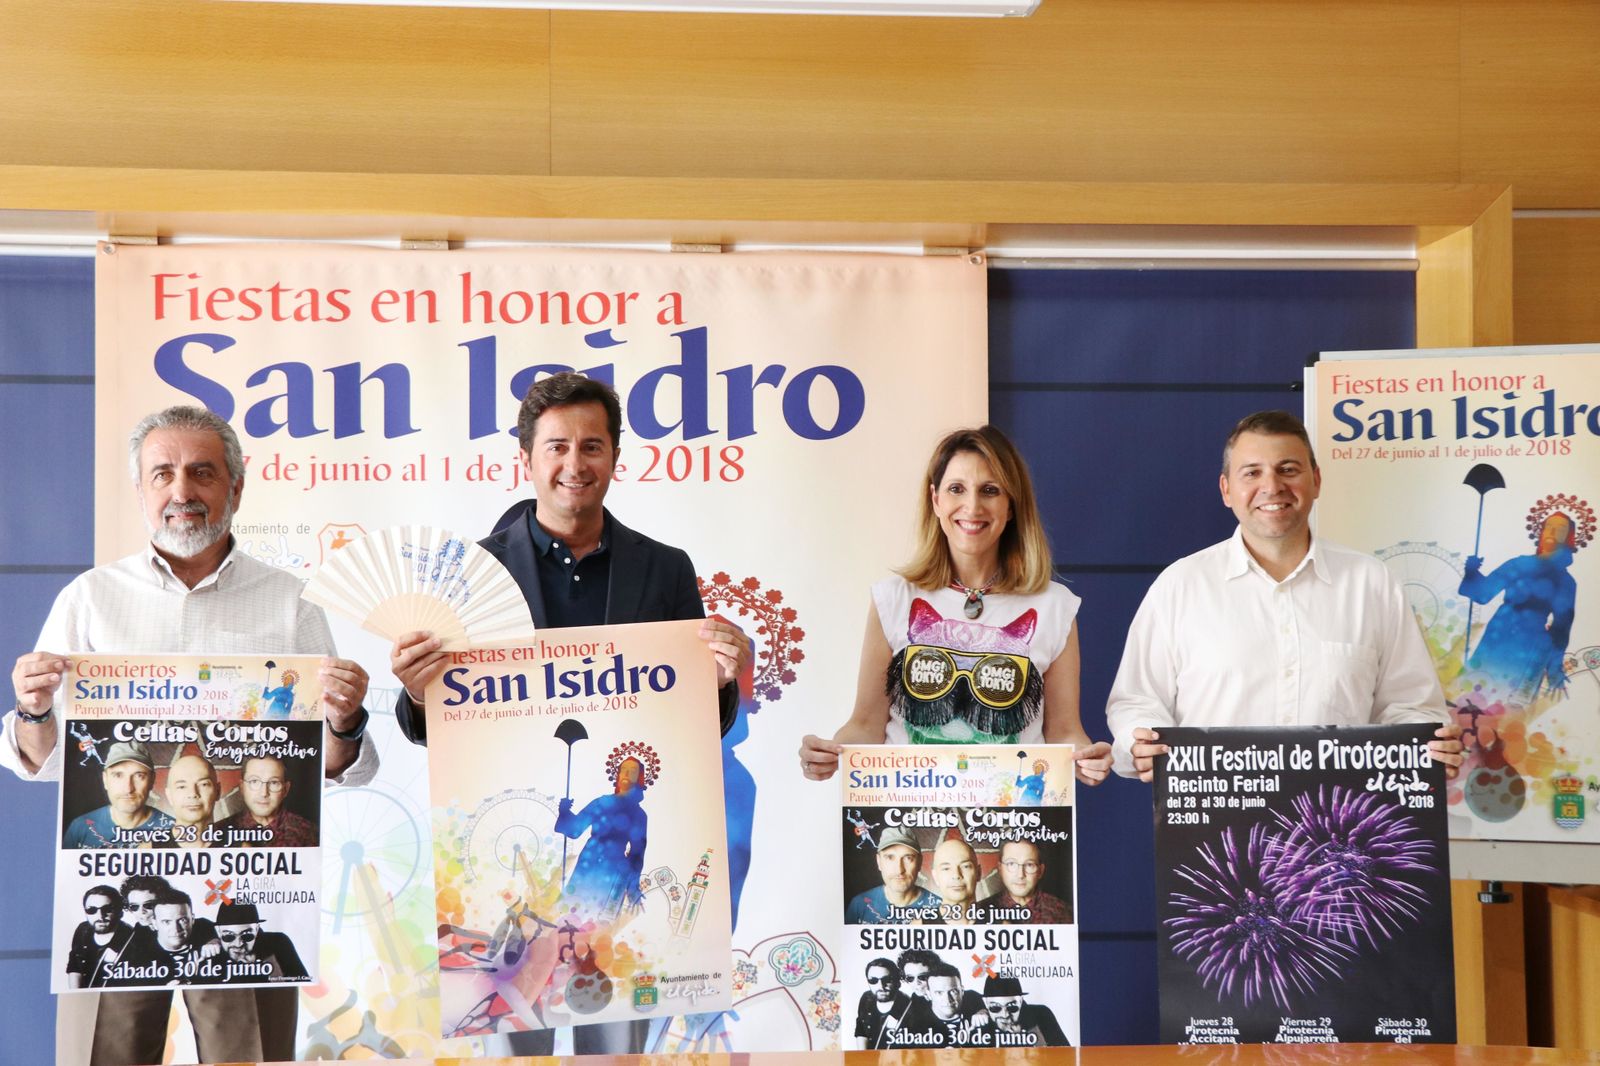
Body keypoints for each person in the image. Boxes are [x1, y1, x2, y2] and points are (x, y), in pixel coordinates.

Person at [386, 372, 751, 1056]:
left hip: (613, 890)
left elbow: (698, 715)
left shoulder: (665, 569)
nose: (574, 465)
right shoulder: (472, 572)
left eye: (592, 446)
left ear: (616, 457)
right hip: (512, 862)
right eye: (556, 447)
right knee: (517, 1029)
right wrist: (414, 691)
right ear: (526, 458)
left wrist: (723, 681)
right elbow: (433, 726)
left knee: (612, 1032)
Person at [3, 405, 379, 1066]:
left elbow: (330, 765)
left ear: (236, 486)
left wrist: (345, 721)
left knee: (249, 1055)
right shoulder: (90, 599)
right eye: (163, 474)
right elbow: (42, 761)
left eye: (202, 473)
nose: (183, 491)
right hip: (119, 884)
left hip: (246, 891)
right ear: (141, 491)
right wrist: (34, 710)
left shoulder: (291, 602)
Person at [1106, 410, 1464, 781]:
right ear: (1227, 490)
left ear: (1317, 481)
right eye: (1252, 473)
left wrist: (1428, 741)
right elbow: (1138, 700)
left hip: (1341, 823)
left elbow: (1411, 705)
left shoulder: (1371, 584)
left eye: (1288, 469)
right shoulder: (1181, 585)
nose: (1272, 486)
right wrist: (1141, 742)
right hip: (1211, 826)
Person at [799, 425, 1112, 783]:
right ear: (936, 500)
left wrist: (1086, 759)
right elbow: (866, 724)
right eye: (956, 489)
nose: (972, 506)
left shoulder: (1055, 607)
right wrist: (831, 753)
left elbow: (1064, 731)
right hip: (909, 805)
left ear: (1011, 506)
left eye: (990, 491)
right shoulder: (893, 599)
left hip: (1013, 814)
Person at [1459, 504, 1583, 699]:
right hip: (1497, 634)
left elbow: (1561, 629)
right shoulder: (1518, 563)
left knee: (1507, 706)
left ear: (1567, 538)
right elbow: (1482, 594)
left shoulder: (1566, 581)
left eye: (1561, 529)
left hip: (1529, 646)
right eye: (1549, 526)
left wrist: (1554, 668)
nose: (1553, 531)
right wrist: (1472, 571)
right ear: (1541, 531)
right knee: (1472, 696)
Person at [554, 747, 651, 919]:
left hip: (613, 870)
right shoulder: (601, 802)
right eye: (624, 769)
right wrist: (564, 812)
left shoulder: (639, 815)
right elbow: (574, 830)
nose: (627, 773)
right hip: (588, 863)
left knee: (597, 919)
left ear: (640, 777)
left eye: (633, 771)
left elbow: (637, 855)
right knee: (570, 916)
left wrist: (632, 886)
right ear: (618, 774)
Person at [62, 741, 173, 848]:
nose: (128, 788)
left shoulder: (174, 829)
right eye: (118, 775)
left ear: (152, 780)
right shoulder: (81, 827)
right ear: (105, 780)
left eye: (139, 776)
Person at [844, 827, 941, 923]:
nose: (899, 870)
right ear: (879, 861)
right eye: (890, 857)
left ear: (919, 862)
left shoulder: (940, 908)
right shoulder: (859, 905)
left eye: (908, 858)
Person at [217, 754, 316, 847]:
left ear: (286, 789)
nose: (264, 793)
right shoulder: (219, 832)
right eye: (254, 781)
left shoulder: (309, 833)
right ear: (242, 787)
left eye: (273, 782)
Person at [977, 839, 1071, 924]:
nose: (1020, 875)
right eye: (1011, 864)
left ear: (1040, 871)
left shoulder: (1062, 913)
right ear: (1000, 869)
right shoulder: (980, 911)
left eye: (1029, 865)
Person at [212, 903, 308, 984]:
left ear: (257, 929)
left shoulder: (278, 943)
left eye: (246, 935)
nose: (238, 944)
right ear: (218, 931)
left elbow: (302, 982)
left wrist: (266, 965)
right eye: (229, 936)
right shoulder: (211, 952)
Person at [66, 887, 140, 990]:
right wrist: (76, 996)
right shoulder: (83, 930)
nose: (100, 916)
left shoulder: (132, 939)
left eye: (107, 909)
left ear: (120, 912)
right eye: (92, 910)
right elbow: (75, 967)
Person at [980, 975, 1069, 1046]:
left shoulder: (1041, 1015)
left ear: (1021, 1001)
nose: (1004, 1014)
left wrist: (1029, 1033)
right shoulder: (980, 1024)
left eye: (1012, 1007)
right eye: (995, 1007)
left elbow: (1066, 1057)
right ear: (985, 1003)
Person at [853, 958, 915, 1050]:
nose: (880, 986)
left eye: (887, 979)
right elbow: (861, 1031)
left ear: (898, 982)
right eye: (873, 980)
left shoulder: (909, 1008)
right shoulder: (866, 999)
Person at [161, 753, 220, 848]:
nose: (193, 794)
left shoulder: (242, 849)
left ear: (218, 791)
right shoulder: (147, 851)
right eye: (182, 786)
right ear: (169, 796)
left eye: (203, 784)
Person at [929, 836, 980, 924]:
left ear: (978, 873)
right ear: (935, 877)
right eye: (946, 868)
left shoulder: (1002, 926)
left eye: (965, 866)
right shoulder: (917, 928)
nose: (956, 875)